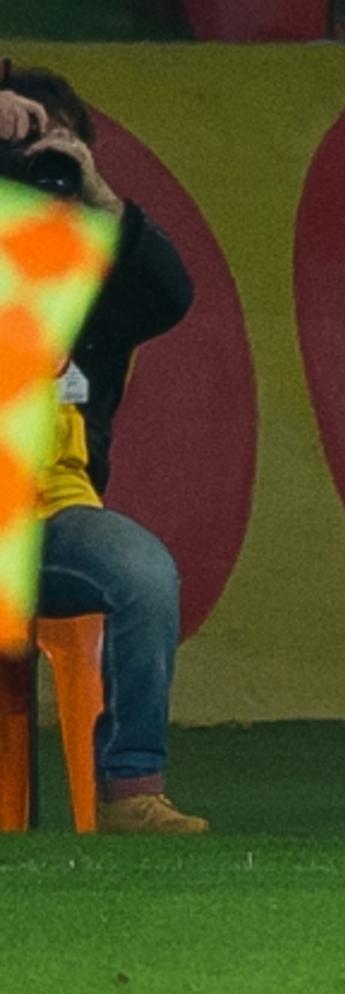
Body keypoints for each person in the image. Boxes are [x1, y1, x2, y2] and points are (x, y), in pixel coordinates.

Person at [1, 61, 206, 834]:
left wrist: (94, 194)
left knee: (143, 571)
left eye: (57, 152)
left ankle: (132, 791)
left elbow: (172, 292)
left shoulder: (95, 273)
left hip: (50, 518)